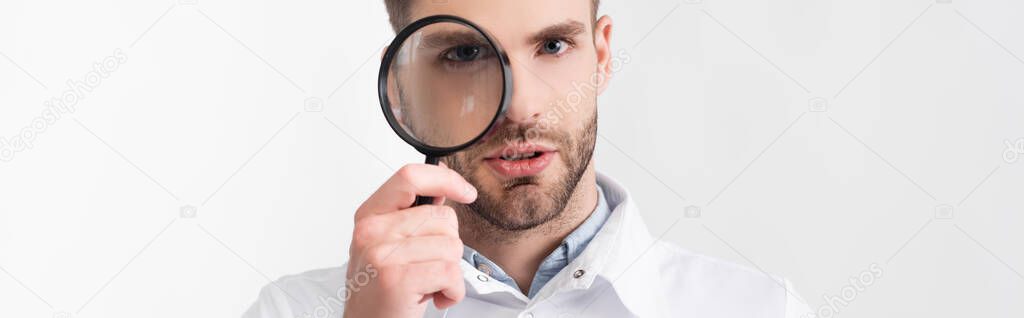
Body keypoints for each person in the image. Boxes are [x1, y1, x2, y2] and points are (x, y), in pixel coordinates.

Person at [245, 0, 812, 317]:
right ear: (404, 82)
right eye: (466, 53)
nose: (520, 107)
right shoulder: (296, 312)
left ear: (602, 56)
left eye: (553, 46)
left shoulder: (762, 310)